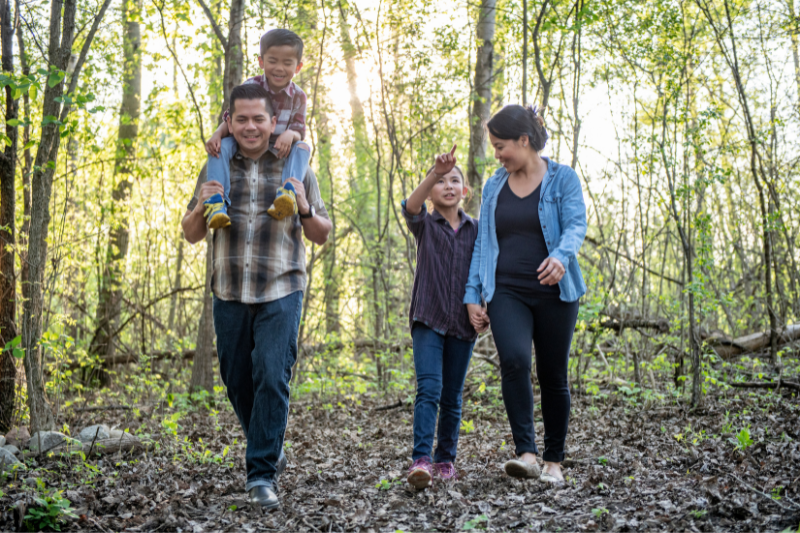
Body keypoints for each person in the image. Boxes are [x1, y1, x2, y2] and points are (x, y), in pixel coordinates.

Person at [181, 83, 332, 509]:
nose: (251, 127)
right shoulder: (215, 164)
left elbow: (322, 233)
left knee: (271, 372)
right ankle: (266, 441)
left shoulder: (294, 166)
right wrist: (198, 208)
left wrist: (303, 207)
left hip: (282, 287)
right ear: (229, 121)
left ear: (273, 122)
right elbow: (192, 234)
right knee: (235, 377)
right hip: (229, 289)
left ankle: (261, 474)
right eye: (242, 119)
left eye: (259, 119)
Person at [463, 104, 587, 485]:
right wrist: (473, 293)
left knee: (553, 373)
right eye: (494, 148)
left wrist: (561, 256)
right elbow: (483, 242)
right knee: (514, 360)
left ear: (524, 140)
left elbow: (576, 224)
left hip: (555, 291)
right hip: (507, 291)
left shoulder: (562, 178)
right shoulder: (495, 185)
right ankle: (527, 454)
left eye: (502, 147)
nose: (497, 155)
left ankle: (553, 462)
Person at [401, 145, 479, 489]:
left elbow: (484, 273)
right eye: (441, 182)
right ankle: (421, 461)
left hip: (462, 324)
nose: (448, 186)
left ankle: (445, 459)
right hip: (428, 319)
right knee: (429, 388)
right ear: (432, 191)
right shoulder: (426, 225)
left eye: (455, 181)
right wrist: (434, 169)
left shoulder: (476, 230)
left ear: (465, 191)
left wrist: (483, 306)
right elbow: (409, 206)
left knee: (452, 395)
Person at [203, 29, 310, 229]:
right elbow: (232, 118)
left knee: (303, 147)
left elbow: (299, 129)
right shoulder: (252, 85)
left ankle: (288, 193)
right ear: (261, 62)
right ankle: (216, 202)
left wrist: (290, 134)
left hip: (279, 147)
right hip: (248, 141)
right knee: (220, 147)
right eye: (272, 61)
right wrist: (217, 134)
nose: (279, 68)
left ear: (298, 67)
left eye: (287, 63)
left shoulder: (299, 96)